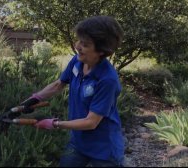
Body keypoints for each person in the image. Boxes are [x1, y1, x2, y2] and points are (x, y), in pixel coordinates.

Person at [18, 15, 125, 167]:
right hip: (78, 142)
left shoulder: (107, 80)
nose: (77, 46)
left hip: (105, 150)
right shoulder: (78, 61)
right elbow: (58, 84)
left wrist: (54, 124)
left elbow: (91, 122)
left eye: (85, 44)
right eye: (79, 40)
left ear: (101, 51)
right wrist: (34, 99)